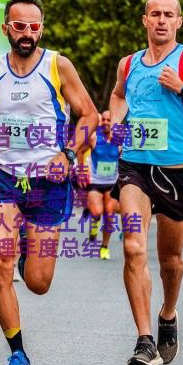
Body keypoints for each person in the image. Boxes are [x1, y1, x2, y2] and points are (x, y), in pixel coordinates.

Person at [0, 0, 99, 365]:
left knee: (38, 282)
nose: (26, 33)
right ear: (5, 28)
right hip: (1, 176)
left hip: (47, 180)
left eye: (33, 27)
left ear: (41, 30)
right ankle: (18, 355)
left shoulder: (58, 66)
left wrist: (68, 154)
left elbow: (89, 115)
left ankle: (26, 258)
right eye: (18, 26)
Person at [109, 0, 183, 365]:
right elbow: (116, 96)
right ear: (144, 20)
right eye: (155, 14)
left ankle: (168, 313)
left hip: (177, 171)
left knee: (170, 260)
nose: (161, 20)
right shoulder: (127, 64)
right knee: (132, 247)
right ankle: (145, 340)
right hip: (134, 167)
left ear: (179, 21)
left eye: (168, 15)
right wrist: (115, 119)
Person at [77, 110, 121, 260]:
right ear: (100, 122)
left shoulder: (119, 140)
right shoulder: (95, 138)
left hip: (112, 183)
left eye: (110, 120)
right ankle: (94, 227)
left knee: (109, 215)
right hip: (96, 182)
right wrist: (82, 169)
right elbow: (80, 151)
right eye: (104, 120)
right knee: (96, 212)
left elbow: (124, 158)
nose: (106, 123)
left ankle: (104, 246)